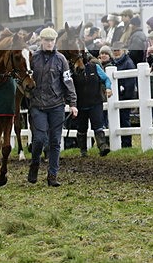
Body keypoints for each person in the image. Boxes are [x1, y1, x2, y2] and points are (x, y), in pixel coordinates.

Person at [28, 28, 78, 187]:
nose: (49, 43)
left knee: (56, 141)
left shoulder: (61, 59)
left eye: (52, 40)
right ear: (41, 41)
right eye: (46, 40)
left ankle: (52, 175)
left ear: (55, 41)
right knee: (40, 138)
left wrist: (73, 103)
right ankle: (34, 164)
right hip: (37, 105)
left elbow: (68, 82)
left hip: (56, 105)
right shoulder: (32, 58)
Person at [72, 54, 112, 157]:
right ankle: (83, 151)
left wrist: (108, 88)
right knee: (81, 128)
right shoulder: (74, 71)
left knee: (98, 125)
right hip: (81, 104)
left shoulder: (95, 67)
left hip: (95, 102)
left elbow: (106, 79)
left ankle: (102, 146)